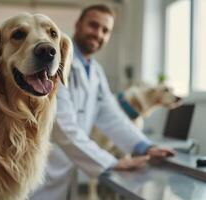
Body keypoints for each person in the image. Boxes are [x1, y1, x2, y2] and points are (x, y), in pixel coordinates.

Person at [30, 4, 175, 200]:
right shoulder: (55, 62)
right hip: (41, 166)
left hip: (65, 168)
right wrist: (111, 162)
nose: (98, 34)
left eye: (105, 30)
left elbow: (112, 115)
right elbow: (61, 125)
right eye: (93, 25)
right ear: (78, 24)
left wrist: (145, 146)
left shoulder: (96, 71)